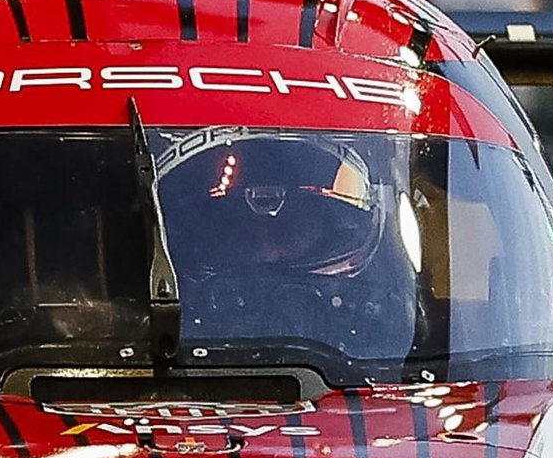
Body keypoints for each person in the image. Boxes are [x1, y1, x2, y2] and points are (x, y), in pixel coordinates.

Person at [161, 130, 416, 359]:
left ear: (332, 225)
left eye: (287, 230)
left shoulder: (388, 327)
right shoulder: (160, 332)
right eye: (244, 236)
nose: (270, 252)